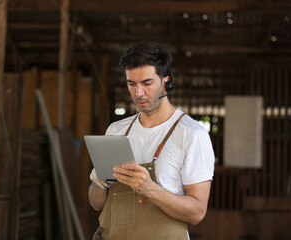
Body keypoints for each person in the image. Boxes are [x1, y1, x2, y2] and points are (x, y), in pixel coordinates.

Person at [88, 42, 215, 240]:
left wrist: (150, 189)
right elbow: (96, 204)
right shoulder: (116, 131)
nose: (138, 93)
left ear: (166, 82)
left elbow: (197, 213)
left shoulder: (191, 134)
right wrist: (99, 182)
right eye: (132, 84)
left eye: (147, 83)